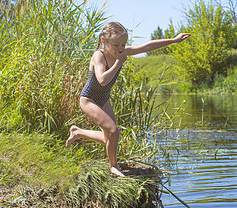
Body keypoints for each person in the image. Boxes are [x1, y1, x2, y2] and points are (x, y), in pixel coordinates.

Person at [65, 22, 190, 177]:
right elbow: (102, 80)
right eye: (116, 45)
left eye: (123, 44)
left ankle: (77, 132)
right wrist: (118, 62)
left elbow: (147, 47)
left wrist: (173, 40)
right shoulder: (100, 56)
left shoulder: (121, 52)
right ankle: (113, 166)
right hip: (89, 100)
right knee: (113, 131)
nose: (120, 49)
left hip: (104, 99)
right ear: (104, 41)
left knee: (109, 138)